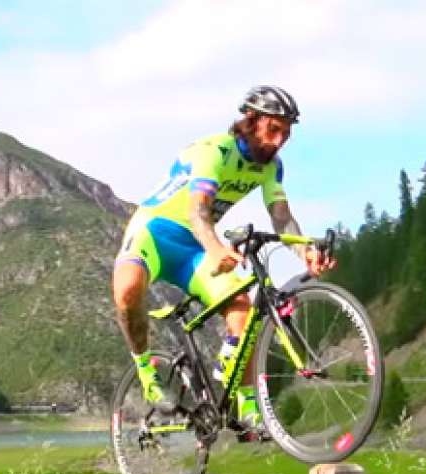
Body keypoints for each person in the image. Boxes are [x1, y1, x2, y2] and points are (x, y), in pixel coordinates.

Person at [111, 85, 335, 432]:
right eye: (273, 130)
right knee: (127, 293)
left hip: (193, 252)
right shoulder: (213, 151)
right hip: (153, 234)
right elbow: (197, 210)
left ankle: (245, 405)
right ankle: (145, 370)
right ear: (251, 120)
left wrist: (305, 251)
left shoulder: (270, 167)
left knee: (243, 309)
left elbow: (280, 215)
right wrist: (216, 248)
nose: (278, 142)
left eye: (286, 135)